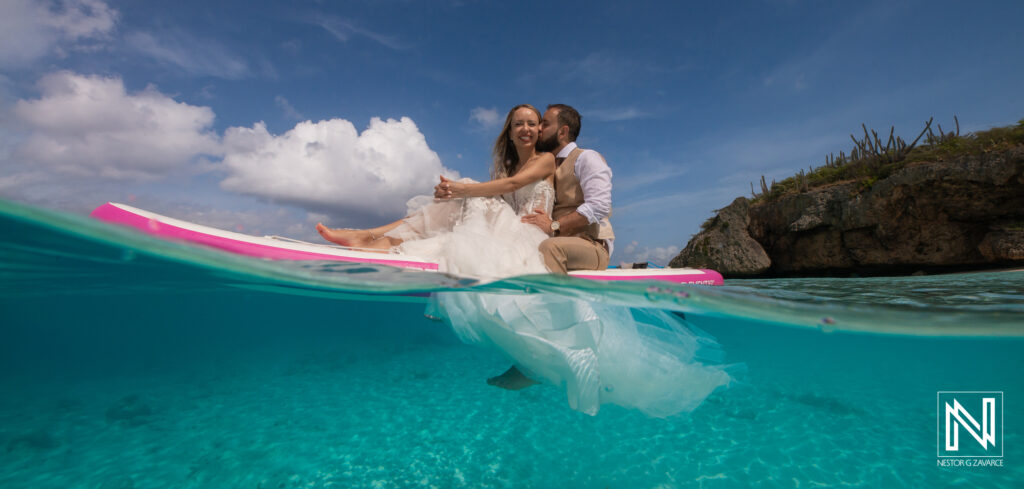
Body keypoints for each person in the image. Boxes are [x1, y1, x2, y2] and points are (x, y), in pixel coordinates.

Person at [315, 104, 556, 278]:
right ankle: (372, 236)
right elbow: (499, 190)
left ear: (539, 131)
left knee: (468, 193)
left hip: (530, 236)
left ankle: (369, 236)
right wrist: (454, 193)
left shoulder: (545, 160)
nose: (525, 128)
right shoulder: (508, 168)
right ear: (510, 133)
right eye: (519, 124)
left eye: (532, 124)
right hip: (507, 228)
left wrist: (461, 189)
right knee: (452, 207)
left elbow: (512, 186)